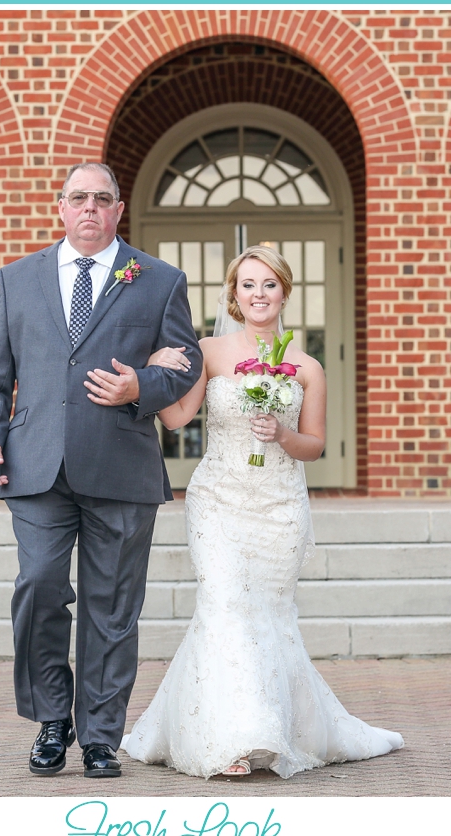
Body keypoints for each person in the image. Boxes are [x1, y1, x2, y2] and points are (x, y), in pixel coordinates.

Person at [119, 246, 404, 778]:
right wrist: (150, 373)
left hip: (280, 507)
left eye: (269, 284)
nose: (258, 294)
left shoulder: (308, 368)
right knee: (225, 607)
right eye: (248, 284)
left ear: (284, 292)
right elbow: (178, 419)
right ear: (234, 294)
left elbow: (315, 446)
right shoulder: (209, 350)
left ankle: (275, 728)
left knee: (268, 619)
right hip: (219, 501)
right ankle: (237, 738)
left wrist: (284, 433)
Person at [0, 162, 202, 778]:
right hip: (36, 466)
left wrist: (141, 386)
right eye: (79, 198)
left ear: (118, 209)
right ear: (62, 207)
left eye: (102, 199)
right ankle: (52, 718)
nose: (90, 209)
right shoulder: (18, 278)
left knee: (113, 605)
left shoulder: (159, 279)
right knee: (39, 587)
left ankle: (100, 734)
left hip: (121, 465)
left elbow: (186, 362)